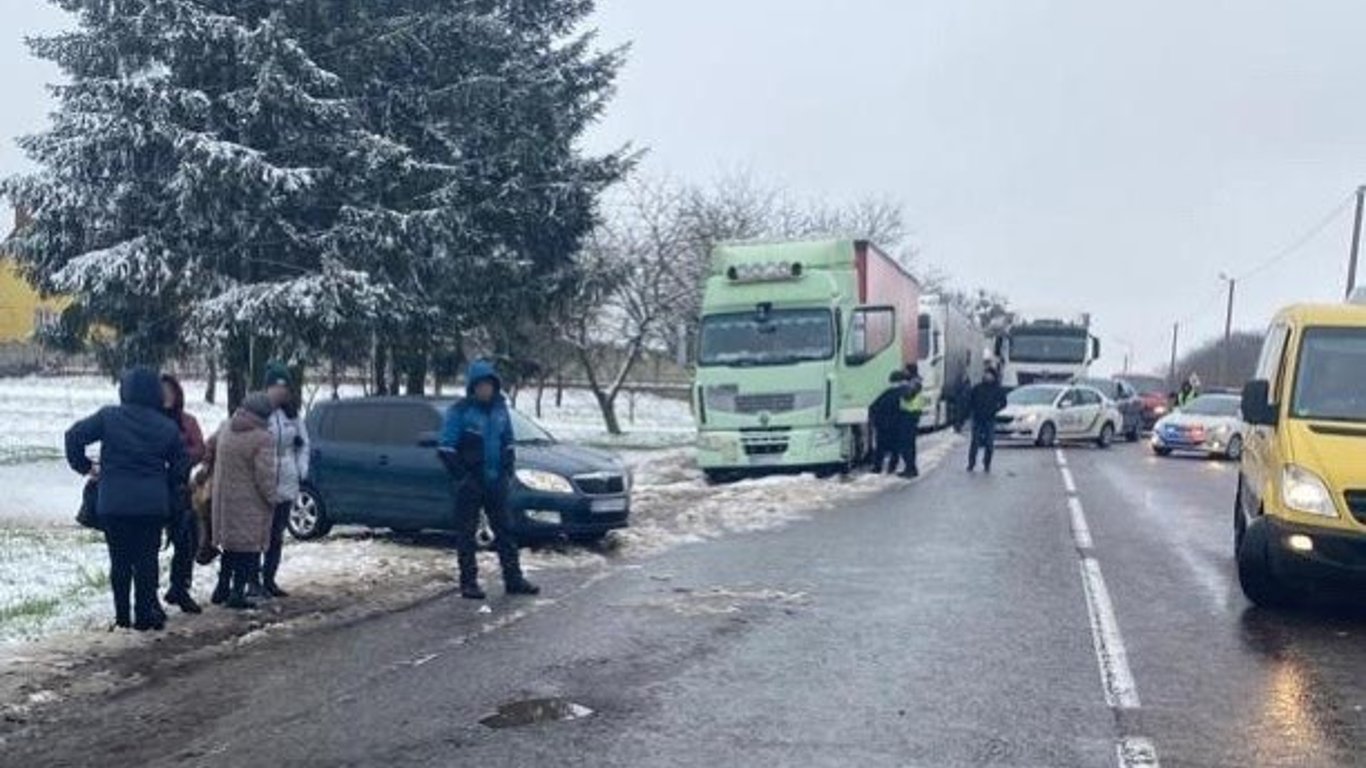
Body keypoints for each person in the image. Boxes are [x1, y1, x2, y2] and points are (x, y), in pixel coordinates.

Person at [65, 368, 189, 631]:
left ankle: (122, 617)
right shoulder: (166, 427)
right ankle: (144, 615)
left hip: (114, 503)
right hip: (151, 506)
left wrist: (85, 467)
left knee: (119, 561)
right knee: (146, 561)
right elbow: (181, 465)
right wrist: (165, 483)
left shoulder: (109, 417)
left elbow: (73, 436)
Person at [438, 360, 539, 600]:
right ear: (473, 387)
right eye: (481, 385)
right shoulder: (460, 411)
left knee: (506, 530)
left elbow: (508, 441)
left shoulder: (500, 410)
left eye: (489, 385)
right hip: (470, 482)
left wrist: (507, 469)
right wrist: (463, 477)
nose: (485, 390)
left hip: (496, 481)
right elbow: (446, 448)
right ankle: (469, 582)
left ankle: (513, 579)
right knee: (467, 534)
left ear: (495, 386)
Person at [210, 393, 278, 610]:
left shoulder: (226, 427)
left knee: (230, 546)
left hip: (223, 499)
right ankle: (237, 593)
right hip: (250, 502)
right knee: (247, 549)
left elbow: (209, 446)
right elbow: (264, 476)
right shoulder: (262, 438)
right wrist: (273, 497)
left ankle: (221, 587)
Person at [259, 361, 309, 599]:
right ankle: (251, 579)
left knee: (276, 534)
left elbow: (304, 444)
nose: (280, 392)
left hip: (286, 478)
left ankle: (269, 578)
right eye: (275, 387)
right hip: (263, 477)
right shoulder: (260, 412)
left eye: (284, 388)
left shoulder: (293, 415)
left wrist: (301, 469)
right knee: (258, 532)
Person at [161, 374, 206, 614]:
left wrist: (181, 458)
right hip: (154, 489)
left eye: (171, 391)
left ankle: (180, 587)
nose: (167, 396)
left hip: (180, 488)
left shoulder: (187, 421)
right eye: (162, 392)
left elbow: (200, 448)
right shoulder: (150, 420)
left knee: (187, 540)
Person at [967, 367, 1008, 473]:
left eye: (989, 375)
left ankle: (987, 463)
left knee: (989, 443)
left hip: (990, 419)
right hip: (978, 418)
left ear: (993, 377)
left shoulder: (997, 389)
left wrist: (995, 409)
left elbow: (1003, 403)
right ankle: (971, 463)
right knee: (975, 442)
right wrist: (972, 412)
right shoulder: (977, 388)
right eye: (986, 374)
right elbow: (970, 401)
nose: (987, 376)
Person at [868, 371, 908, 474]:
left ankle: (877, 467)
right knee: (895, 448)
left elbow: (873, 407)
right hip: (896, 425)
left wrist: (874, 421)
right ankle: (891, 468)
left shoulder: (887, 393)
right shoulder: (904, 392)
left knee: (880, 447)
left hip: (882, 424)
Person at [899, 364, 927, 478]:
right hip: (909, 415)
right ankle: (910, 468)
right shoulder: (914, 382)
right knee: (908, 444)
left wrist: (902, 388)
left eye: (905, 371)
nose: (904, 373)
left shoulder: (914, 383)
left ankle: (910, 469)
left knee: (907, 444)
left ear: (910, 372)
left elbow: (908, 396)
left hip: (910, 415)